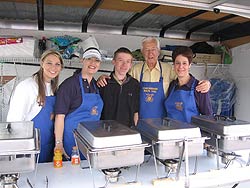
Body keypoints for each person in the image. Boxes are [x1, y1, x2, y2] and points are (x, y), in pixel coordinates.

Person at [98, 37, 211, 119]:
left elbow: (185, 77)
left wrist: (206, 84)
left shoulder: (169, 69)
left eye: (153, 49)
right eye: (147, 50)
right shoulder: (135, 69)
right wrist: (104, 78)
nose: (150, 53)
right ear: (142, 52)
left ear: (158, 51)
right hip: (139, 121)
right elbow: (120, 77)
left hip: (162, 123)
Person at [7, 50, 64, 163]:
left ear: (61, 67)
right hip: (30, 148)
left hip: (47, 145)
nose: (53, 67)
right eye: (49, 63)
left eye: (57, 64)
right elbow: (14, 121)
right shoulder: (27, 86)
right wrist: (19, 150)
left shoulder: (53, 88)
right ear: (42, 63)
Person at [54, 47, 103, 158]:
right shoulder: (69, 85)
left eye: (96, 60)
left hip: (91, 140)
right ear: (82, 60)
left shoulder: (96, 85)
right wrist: (59, 143)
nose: (93, 63)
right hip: (72, 140)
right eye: (89, 58)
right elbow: (59, 116)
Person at [164, 46, 213, 123]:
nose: (181, 67)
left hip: (191, 134)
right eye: (177, 63)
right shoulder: (172, 86)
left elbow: (208, 117)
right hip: (170, 132)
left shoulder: (200, 87)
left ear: (189, 65)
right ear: (173, 64)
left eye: (184, 63)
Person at [100, 47, 140, 127]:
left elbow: (136, 112)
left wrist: (134, 129)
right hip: (106, 131)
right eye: (120, 60)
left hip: (127, 132)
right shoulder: (104, 83)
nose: (124, 65)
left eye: (128, 61)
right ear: (114, 62)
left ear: (131, 65)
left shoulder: (134, 84)